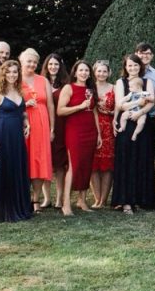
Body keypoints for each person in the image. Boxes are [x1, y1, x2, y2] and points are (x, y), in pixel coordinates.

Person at [0, 59, 34, 223]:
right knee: (3, 170)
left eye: (15, 72)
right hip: (2, 135)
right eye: (9, 72)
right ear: (3, 74)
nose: (12, 75)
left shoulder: (20, 92)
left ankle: (17, 207)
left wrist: (26, 122)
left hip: (17, 137)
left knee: (16, 169)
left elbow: (22, 112)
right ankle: (1, 211)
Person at [111, 54, 155, 213]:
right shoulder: (121, 82)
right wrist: (137, 103)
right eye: (129, 65)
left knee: (142, 158)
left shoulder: (147, 82)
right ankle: (125, 201)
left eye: (135, 65)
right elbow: (120, 105)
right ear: (125, 67)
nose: (133, 68)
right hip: (126, 125)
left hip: (142, 123)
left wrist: (140, 112)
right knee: (126, 160)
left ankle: (141, 199)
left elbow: (151, 102)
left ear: (140, 66)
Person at [56, 60, 101, 216]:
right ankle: (66, 204)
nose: (84, 73)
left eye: (86, 70)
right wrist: (79, 107)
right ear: (75, 72)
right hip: (74, 130)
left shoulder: (91, 89)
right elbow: (60, 110)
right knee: (74, 166)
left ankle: (82, 200)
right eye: (81, 70)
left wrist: (98, 133)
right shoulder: (68, 88)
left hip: (90, 130)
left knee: (87, 165)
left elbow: (94, 111)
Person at [18, 48, 53, 212]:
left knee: (39, 161)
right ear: (21, 62)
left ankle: (36, 199)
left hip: (41, 125)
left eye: (34, 62)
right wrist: (24, 104)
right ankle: (22, 197)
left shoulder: (43, 80)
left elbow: (50, 105)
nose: (32, 64)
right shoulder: (15, 78)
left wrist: (52, 127)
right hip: (22, 124)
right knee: (24, 158)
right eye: (29, 61)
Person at [42, 53, 68, 211]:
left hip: (61, 127)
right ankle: (46, 198)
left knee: (59, 165)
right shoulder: (39, 81)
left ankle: (59, 198)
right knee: (45, 163)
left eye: (56, 64)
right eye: (50, 64)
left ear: (60, 66)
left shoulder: (66, 84)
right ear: (46, 66)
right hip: (42, 125)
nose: (53, 67)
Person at [90, 60, 116, 209]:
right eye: (99, 71)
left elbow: (120, 107)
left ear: (109, 73)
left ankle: (104, 199)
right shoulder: (90, 88)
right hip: (92, 127)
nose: (101, 74)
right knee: (93, 164)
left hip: (109, 128)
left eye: (104, 71)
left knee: (107, 164)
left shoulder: (114, 87)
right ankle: (97, 198)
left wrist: (111, 112)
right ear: (94, 72)